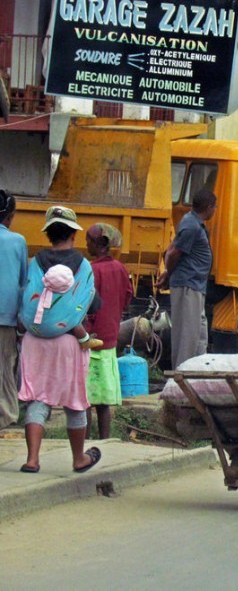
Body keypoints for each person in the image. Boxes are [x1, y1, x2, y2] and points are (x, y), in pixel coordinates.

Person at [18, 206, 101, 473]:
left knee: (37, 398)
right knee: (74, 401)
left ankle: (32, 459)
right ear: (73, 234)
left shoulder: (36, 262)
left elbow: (25, 296)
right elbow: (92, 303)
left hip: (34, 340)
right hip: (68, 342)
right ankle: (79, 459)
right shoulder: (84, 266)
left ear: (49, 234)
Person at [156, 190, 216, 369]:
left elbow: (173, 248)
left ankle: (197, 371)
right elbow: (173, 253)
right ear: (209, 208)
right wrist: (169, 273)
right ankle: (181, 374)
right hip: (188, 285)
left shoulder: (192, 222)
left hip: (195, 284)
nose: (215, 210)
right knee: (187, 335)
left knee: (199, 333)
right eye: (214, 207)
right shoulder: (191, 226)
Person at [84, 224, 133, 439]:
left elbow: (86, 303)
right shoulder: (120, 269)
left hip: (90, 339)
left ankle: (83, 440)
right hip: (110, 340)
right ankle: (105, 439)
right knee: (103, 401)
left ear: (99, 244)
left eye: (89, 240)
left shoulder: (91, 270)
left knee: (84, 398)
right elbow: (127, 297)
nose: (86, 244)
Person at [0, 189, 27, 429]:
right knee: (5, 367)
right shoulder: (17, 241)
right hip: (5, 317)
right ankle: (6, 416)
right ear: (10, 216)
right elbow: (23, 282)